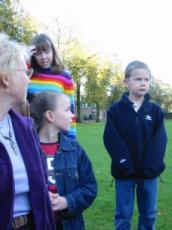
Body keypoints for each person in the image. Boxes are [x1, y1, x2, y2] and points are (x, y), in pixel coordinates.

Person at [0, 33, 56, 229]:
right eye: (25, 72)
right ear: (5, 78)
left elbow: (39, 186)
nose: (29, 80)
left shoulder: (25, 127)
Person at [103, 60, 167, 230]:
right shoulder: (115, 110)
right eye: (138, 79)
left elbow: (160, 141)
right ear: (126, 81)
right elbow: (111, 139)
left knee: (149, 215)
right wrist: (124, 164)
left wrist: (150, 166)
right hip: (124, 174)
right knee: (123, 215)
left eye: (147, 79)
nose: (143, 83)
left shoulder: (155, 111)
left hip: (149, 174)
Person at [30, 91, 97, 230]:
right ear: (50, 115)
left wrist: (66, 201)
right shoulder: (26, 150)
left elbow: (90, 187)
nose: (73, 115)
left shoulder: (74, 149)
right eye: (67, 110)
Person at [27, 33, 76, 139]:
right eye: (38, 53)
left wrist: (71, 138)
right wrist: (26, 54)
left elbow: (70, 109)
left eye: (47, 51)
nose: (43, 57)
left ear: (53, 51)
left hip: (57, 136)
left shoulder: (65, 77)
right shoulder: (28, 74)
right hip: (30, 134)